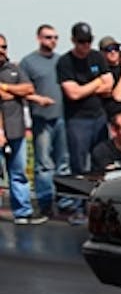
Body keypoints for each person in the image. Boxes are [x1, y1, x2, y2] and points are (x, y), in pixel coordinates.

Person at [20, 25, 71, 217]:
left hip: (63, 118)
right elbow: (24, 90)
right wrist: (38, 99)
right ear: (39, 39)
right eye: (49, 37)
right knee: (43, 164)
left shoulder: (62, 61)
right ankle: (45, 203)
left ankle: (66, 202)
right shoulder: (28, 62)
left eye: (56, 37)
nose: (53, 41)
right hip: (41, 118)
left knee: (64, 162)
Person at [57, 22, 114, 189]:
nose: (86, 45)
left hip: (98, 116)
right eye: (81, 41)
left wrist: (84, 88)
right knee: (79, 164)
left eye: (88, 41)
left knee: (100, 160)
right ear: (73, 40)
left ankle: (99, 198)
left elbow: (109, 86)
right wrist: (96, 82)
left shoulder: (97, 57)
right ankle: (79, 204)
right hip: (77, 119)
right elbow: (73, 94)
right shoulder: (65, 62)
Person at [0, 33, 46, 224]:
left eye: (4, 47)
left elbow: (28, 89)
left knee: (18, 173)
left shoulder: (13, 69)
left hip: (16, 130)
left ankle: (23, 212)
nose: (1, 51)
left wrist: (5, 89)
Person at [97, 36, 121, 120]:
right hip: (108, 114)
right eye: (108, 49)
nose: (113, 52)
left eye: (116, 48)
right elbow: (108, 93)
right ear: (102, 52)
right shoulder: (101, 71)